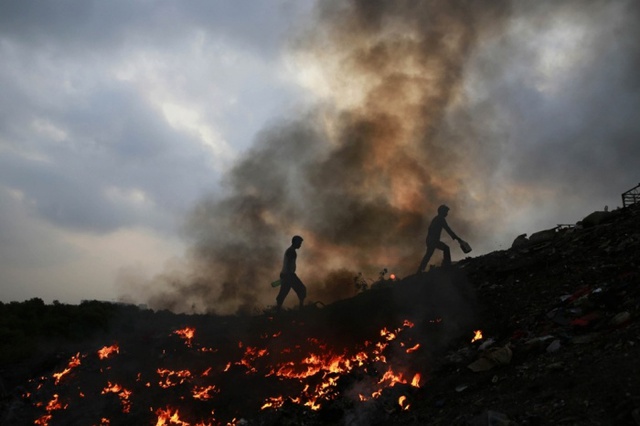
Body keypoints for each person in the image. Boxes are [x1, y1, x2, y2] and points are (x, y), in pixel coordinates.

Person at [417, 204, 461, 272]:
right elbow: (448, 229)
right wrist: (457, 238)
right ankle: (447, 265)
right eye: (446, 211)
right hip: (433, 240)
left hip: (430, 240)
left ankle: (420, 269)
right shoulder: (440, 219)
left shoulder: (436, 218)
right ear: (442, 212)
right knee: (446, 248)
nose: (447, 213)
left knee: (428, 254)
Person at [276, 235, 307, 311]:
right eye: (299, 243)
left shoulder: (291, 251)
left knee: (283, 293)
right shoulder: (291, 251)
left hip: (287, 275)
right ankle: (301, 308)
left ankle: (277, 309)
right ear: (295, 242)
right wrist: (289, 276)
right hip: (289, 275)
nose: (300, 245)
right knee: (302, 289)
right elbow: (289, 265)